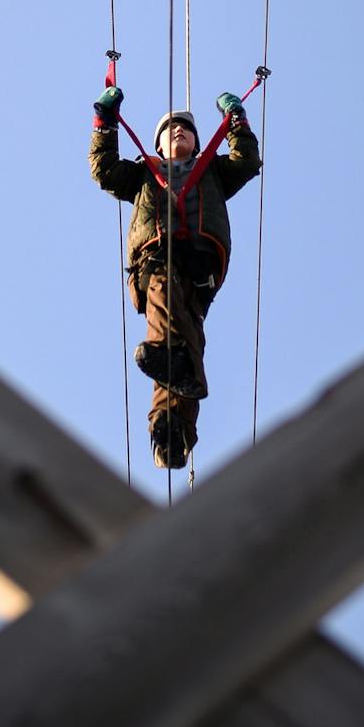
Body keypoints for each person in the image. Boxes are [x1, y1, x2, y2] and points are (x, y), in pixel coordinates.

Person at [90, 85, 261, 469]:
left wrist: (236, 121)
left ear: (199, 143)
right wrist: (104, 123)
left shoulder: (214, 172)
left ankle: (174, 403)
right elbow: (104, 170)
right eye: (170, 129)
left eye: (186, 128)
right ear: (160, 146)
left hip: (200, 261)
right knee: (179, 331)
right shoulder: (142, 175)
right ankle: (172, 434)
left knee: (176, 336)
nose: (178, 131)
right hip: (155, 259)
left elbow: (247, 161)